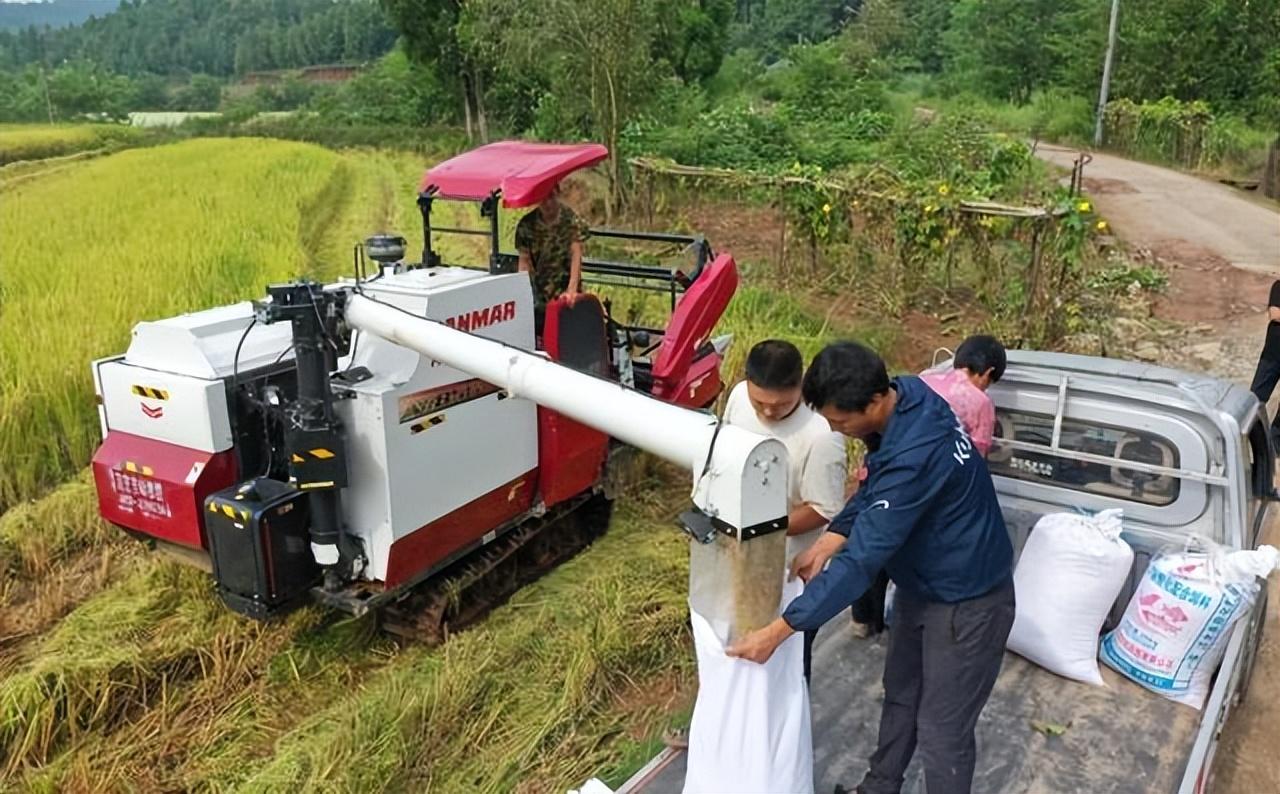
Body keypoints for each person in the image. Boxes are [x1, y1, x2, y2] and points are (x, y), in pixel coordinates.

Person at [727, 341, 1015, 794]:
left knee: (942, 730)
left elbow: (861, 563)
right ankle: (878, 788)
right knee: (901, 697)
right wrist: (833, 535)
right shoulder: (912, 395)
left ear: (876, 401)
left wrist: (779, 630)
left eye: (841, 422)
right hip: (922, 587)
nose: (836, 430)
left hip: (968, 601)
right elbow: (876, 484)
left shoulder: (916, 454)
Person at [850, 334, 1008, 637]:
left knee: (875, 542)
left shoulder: (922, 380)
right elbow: (975, 457)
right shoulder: (981, 402)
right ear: (988, 373)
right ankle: (903, 622)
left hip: (881, 473)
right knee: (912, 551)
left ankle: (863, 618)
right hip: (931, 494)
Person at [722, 340, 848, 682]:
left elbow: (823, 510)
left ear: (800, 386)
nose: (767, 413)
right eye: (759, 402)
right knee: (734, 655)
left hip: (790, 571)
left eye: (779, 406)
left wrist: (762, 528)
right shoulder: (737, 398)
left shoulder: (821, 434)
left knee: (787, 669)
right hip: (738, 560)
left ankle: (787, 733)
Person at [514, 182, 588, 336]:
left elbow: (576, 253)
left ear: (558, 194)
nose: (548, 203)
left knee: (569, 335)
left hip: (565, 291)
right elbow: (524, 261)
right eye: (543, 199)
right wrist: (523, 292)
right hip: (540, 292)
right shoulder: (526, 225)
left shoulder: (572, 220)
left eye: (551, 197)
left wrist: (572, 289)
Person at [1249, 279, 1280, 447]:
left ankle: (1274, 448)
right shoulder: (1278, 286)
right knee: (1256, 398)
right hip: (1272, 357)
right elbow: (1275, 314)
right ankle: (1246, 437)